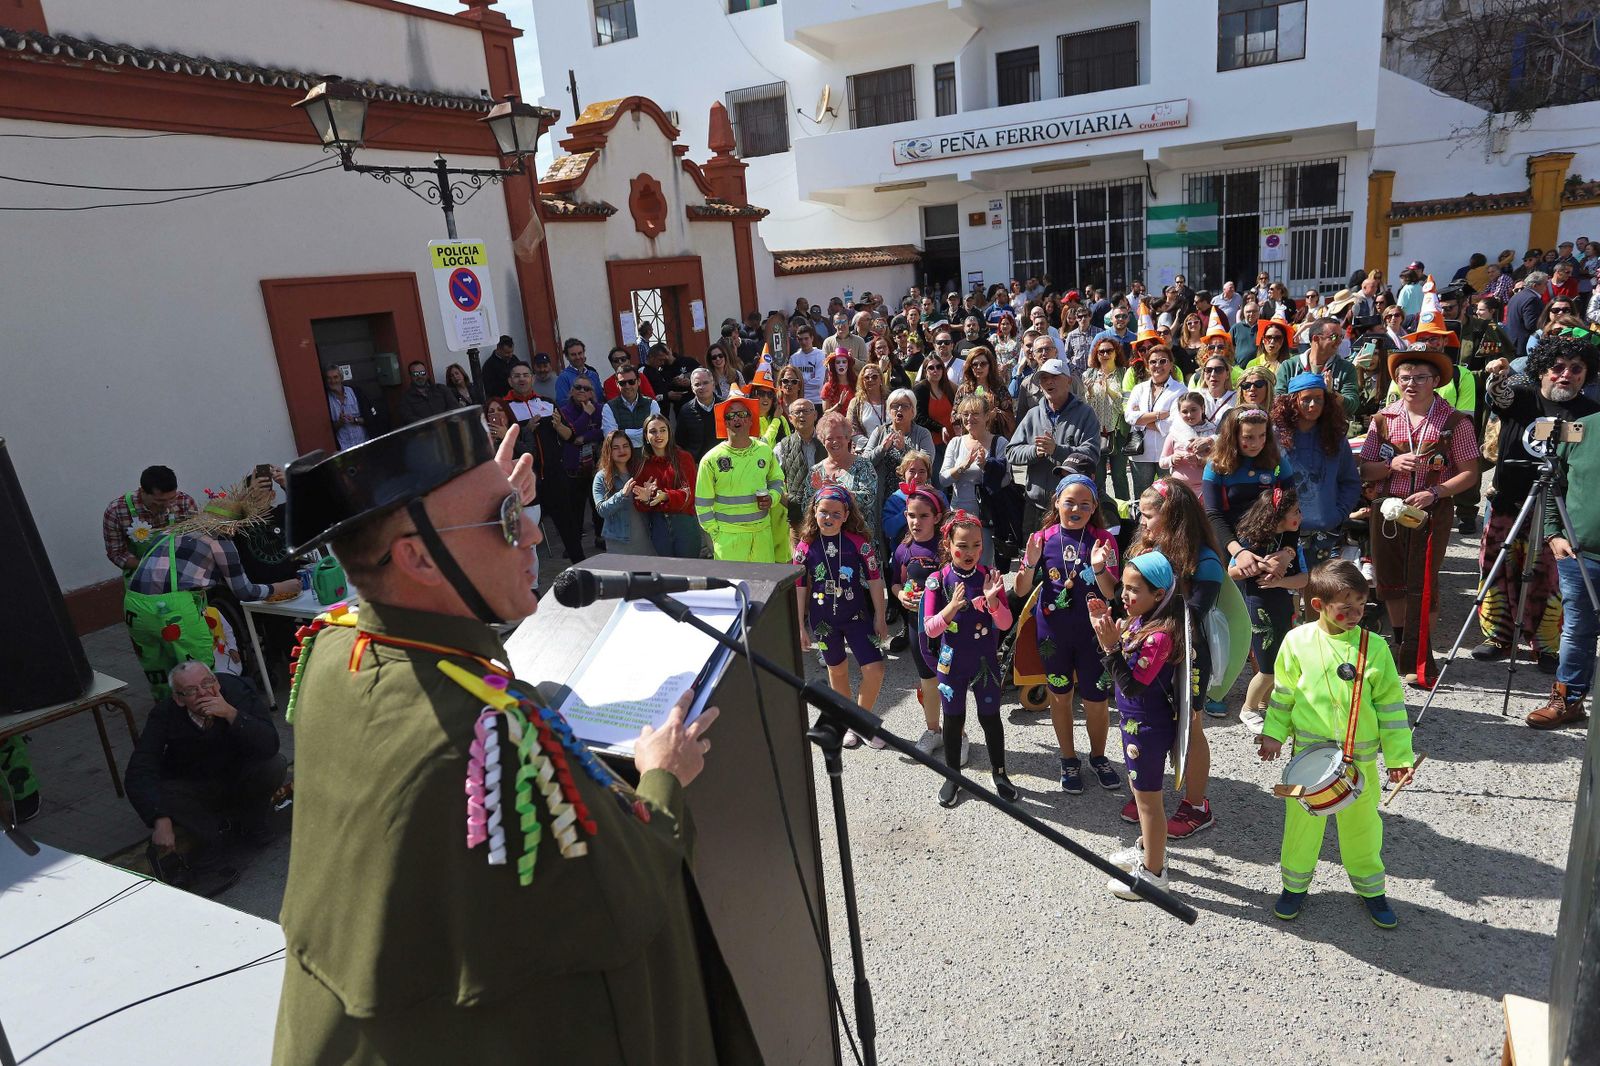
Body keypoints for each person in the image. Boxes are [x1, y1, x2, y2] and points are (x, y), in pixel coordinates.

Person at [273, 408, 756, 1062]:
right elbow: (632, 894)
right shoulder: (495, 737)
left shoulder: (332, 650)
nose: (533, 534)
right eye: (505, 520)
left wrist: (478, 502)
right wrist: (662, 774)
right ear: (417, 557)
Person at [1258, 561, 1415, 929]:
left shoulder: (1373, 647)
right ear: (1319, 606)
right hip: (1309, 759)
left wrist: (1399, 757)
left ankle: (1371, 890)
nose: (1355, 614)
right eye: (1345, 607)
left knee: (1363, 827)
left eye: (1361, 605)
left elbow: (1391, 707)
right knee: (1301, 828)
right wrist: (1273, 734)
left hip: (1359, 759)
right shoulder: (1297, 642)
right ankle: (1294, 887)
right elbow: (1283, 695)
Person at [1476, 337, 1599, 677]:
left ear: (1585, 375)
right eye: (1557, 367)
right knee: (1497, 568)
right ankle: (1498, 637)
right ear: (1542, 370)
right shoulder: (1522, 396)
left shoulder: (1590, 412)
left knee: (1551, 580)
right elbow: (1497, 396)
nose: (1565, 375)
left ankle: (1546, 644)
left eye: (1576, 369)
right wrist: (1498, 375)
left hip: (1557, 511)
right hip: (1508, 502)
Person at [1358, 348, 1481, 685]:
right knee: (1391, 580)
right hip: (1387, 508)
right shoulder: (1383, 419)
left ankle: (1422, 656)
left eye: (1420, 378)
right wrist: (1389, 465)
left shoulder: (1455, 421)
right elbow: (1364, 469)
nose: (1411, 384)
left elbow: (1470, 473)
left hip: (1432, 510)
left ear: (1436, 382)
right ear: (1397, 381)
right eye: (1405, 378)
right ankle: (1402, 650)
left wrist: (1436, 492)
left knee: (1424, 581)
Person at [124, 478, 301, 698]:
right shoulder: (221, 542)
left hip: (133, 605)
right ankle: (212, 716)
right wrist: (281, 587)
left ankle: (171, 710)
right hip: (173, 608)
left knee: (158, 669)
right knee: (199, 670)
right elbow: (245, 592)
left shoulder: (169, 532)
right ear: (236, 526)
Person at [126, 661, 286, 886]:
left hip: (238, 774)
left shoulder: (238, 692)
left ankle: (253, 822)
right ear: (179, 699)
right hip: (197, 782)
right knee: (168, 791)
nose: (203, 693)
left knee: (273, 765)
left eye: (207, 683)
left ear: (217, 683)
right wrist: (159, 819)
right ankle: (211, 845)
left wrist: (232, 715)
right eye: (191, 691)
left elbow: (270, 744)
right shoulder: (164, 714)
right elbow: (140, 769)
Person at [1014, 474, 1121, 794]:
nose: (1076, 508)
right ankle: (1068, 758)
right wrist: (1030, 564)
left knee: (1097, 701)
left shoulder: (1103, 539)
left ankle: (1099, 757)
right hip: (1053, 636)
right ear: (1056, 502)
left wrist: (1100, 568)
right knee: (1060, 698)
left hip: (1094, 635)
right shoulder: (1041, 538)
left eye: (1084, 504)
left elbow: (1112, 593)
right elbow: (1020, 589)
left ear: (1093, 509)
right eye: (1069, 501)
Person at [1128, 478, 1223, 832]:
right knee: (1148, 720)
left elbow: (1193, 615)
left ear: (1172, 517)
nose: (1142, 522)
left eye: (1149, 515)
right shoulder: (1147, 550)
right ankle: (1148, 794)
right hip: (1150, 649)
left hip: (1187, 655)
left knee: (1190, 724)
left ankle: (1197, 806)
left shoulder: (1205, 561)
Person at [1089, 550, 1184, 899]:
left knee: (1148, 802)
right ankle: (1147, 851)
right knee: (1141, 794)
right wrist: (1109, 642)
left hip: (1147, 727)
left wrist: (1112, 648)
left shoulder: (1159, 637)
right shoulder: (1141, 623)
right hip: (1134, 724)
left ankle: (1154, 874)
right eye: (1124, 588)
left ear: (1158, 594)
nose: (1124, 596)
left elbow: (1132, 685)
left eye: (1133, 590)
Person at [923, 510, 1017, 807]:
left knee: (990, 718)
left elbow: (1004, 624)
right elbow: (930, 628)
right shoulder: (937, 581)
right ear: (948, 544)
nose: (970, 552)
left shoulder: (989, 577)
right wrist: (950, 607)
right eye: (962, 545)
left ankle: (1000, 773)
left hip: (985, 664)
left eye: (976, 545)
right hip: (951, 665)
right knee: (953, 720)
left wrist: (991, 601)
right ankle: (953, 776)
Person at [794, 485, 889, 749]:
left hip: (857, 615)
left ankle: (861, 720)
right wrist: (799, 626)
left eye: (836, 514)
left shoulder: (859, 544)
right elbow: (800, 586)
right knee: (837, 671)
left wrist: (880, 616)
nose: (829, 518)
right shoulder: (804, 547)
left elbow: (874, 579)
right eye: (824, 512)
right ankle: (849, 723)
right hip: (823, 620)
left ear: (846, 515)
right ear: (814, 511)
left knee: (875, 669)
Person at [1228, 486, 1310, 736]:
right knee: (1267, 666)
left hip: (1284, 606)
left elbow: (1304, 578)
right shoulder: (1250, 543)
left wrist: (1279, 582)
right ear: (1277, 517)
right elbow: (1231, 571)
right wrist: (1251, 567)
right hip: (1259, 606)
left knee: (1282, 661)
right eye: (1296, 511)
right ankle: (1248, 708)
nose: (1301, 515)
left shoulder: (1290, 544)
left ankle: (1267, 703)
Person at [1273, 375, 1362, 571]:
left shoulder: (1336, 437)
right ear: (1292, 400)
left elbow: (1350, 482)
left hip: (1324, 532)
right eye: (1306, 399)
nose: (1313, 405)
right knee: (1284, 593)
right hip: (1281, 531)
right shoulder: (1274, 437)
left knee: (1319, 591)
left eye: (1318, 399)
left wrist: (1337, 515)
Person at [1006, 358, 1103, 527]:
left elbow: (1092, 454)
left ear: (1069, 381)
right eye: (1043, 378)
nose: (1049, 382)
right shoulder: (1033, 415)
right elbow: (1011, 451)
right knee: (1031, 553)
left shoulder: (1086, 414)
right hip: (1035, 505)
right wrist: (1035, 452)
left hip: (1071, 508)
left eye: (1055, 377)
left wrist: (1056, 450)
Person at [695, 392, 786, 563]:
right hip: (728, 538)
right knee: (732, 587)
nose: (737, 419)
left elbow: (777, 481)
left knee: (764, 585)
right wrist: (717, 534)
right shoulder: (710, 459)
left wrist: (772, 498)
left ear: (751, 420)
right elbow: (702, 503)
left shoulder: (764, 451)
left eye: (742, 414)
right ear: (726, 422)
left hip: (762, 535)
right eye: (731, 415)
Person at [941, 395, 1007, 566]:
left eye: (975, 413)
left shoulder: (999, 443)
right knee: (958, 565)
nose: (969, 419)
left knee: (983, 566)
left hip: (986, 517)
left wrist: (986, 465)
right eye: (965, 414)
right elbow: (943, 479)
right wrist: (962, 466)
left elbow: (1006, 479)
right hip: (959, 515)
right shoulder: (956, 443)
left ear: (987, 416)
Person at [104, 465, 198, 574]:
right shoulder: (117, 511)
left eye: (172, 498)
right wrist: (152, 566)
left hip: (180, 568)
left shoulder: (185, 502)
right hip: (141, 571)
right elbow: (117, 553)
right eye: (160, 500)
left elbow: (196, 541)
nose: (168, 505)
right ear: (142, 491)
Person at [550, 376, 603, 561]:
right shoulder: (564, 411)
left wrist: (584, 438)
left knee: (597, 504)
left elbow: (602, 430)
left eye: (586, 388)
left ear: (592, 393)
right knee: (576, 509)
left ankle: (600, 536)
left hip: (595, 465)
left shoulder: (600, 409)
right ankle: (574, 544)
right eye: (578, 387)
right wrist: (586, 415)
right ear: (571, 391)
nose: (582, 391)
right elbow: (571, 432)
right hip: (574, 467)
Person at [1124, 345, 1187, 497]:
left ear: (1171, 364)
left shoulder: (1181, 390)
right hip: (1140, 452)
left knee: (1169, 496)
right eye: (1153, 362)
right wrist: (1159, 415)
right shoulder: (1139, 388)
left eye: (1163, 361)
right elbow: (1129, 417)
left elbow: (1173, 423)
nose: (1157, 365)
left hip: (1167, 452)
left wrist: (1142, 418)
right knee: (1142, 496)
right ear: (1147, 365)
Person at [1274, 318, 1361, 415]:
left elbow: (1352, 405)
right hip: (1296, 426)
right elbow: (1278, 400)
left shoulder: (1346, 368)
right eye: (1334, 337)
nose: (1339, 341)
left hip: (1330, 428)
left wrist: (1331, 393)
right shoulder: (1289, 366)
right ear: (1316, 339)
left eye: (1341, 337)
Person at [1080, 338, 1128, 497]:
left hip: (1118, 431)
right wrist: (1091, 392)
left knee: (1119, 477)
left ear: (1116, 352)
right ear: (1096, 354)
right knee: (1098, 479)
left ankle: (1125, 516)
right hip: (1097, 432)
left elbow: (1124, 406)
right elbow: (1087, 408)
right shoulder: (1088, 374)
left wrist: (1109, 390)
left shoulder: (1124, 373)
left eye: (1109, 350)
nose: (1105, 354)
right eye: (1102, 351)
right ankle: (1102, 516)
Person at [592, 430, 652, 555]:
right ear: (608, 451)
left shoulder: (640, 470)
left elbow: (653, 506)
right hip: (618, 542)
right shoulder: (601, 477)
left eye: (625, 446)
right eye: (616, 448)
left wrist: (649, 498)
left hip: (646, 538)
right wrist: (621, 495)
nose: (622, 451)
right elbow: (602, 510)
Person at [1158, 392, 1217, 491]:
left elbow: (1220, 460)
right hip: (1180, 488)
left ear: (1202, 408)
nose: (1189, 415)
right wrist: (1172, 459)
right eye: (1185, 412)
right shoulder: (1174, 433)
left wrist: (1199, 460)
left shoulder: (1212, 432)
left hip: (1207, 487)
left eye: (1194, 410)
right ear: (1179, 413)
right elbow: (1162, 462)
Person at [955, 346, 1016, 435]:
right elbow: (955, 416)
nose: (978, 367)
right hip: (970, 437)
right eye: (974, 364)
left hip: (995, 437)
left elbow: (1009, 415)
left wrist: (993, 415)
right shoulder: (963, 389)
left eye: (983, 364)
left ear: (990, 365)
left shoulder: (999, 388)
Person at [601, 363, 660, 449]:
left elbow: (656, 433)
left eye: (631, 382)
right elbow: (611, 438)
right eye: (622, 383)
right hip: (623, 458)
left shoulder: (652, 404)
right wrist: (643, 432)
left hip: (649, 456)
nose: (627, 386)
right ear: (617, 384)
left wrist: (623, 432)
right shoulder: (608, 407)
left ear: (638, 382)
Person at [913, 355, 959, 460]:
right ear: (925, 371)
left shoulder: (950, 387)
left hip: (953, 441)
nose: (935, 370)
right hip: (931, 444)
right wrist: (940, 428)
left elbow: (958, 410)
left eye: (939, 367)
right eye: (931, 368)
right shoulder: (920, 389)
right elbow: (919, 417)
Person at [675, 368, 719, 460]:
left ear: (713, 384)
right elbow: (680, 442)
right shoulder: (685, 411)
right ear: (692, 388)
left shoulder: (724, 406)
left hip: (724, 461)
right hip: (697, 464)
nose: (702, 387)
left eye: (705, 383)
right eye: (697, 384)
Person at [325, 367, 368, 451]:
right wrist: (340, 423)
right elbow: (327, 431)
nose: (332, 381)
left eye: (335, 377)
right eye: (329, 378)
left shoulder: (355, 392)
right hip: (344, 449)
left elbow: (370, 418)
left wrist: (355, 420)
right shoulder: (326, 400)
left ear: (341, 378)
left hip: (363, 443)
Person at [847, 362, 890, 443]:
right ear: (862, 381)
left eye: (874, 377)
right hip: (865, 450)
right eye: (866, 377)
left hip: (891, 447)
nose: (870, 380)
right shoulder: (856, 403)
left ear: (881, 379)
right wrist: (871, 446)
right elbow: (852, 428)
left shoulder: (891, 399)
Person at [1506, 271, 1549, 351]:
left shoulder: (1516, 296)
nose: (1547, 286)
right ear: (1535, 285)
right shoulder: (1532, 299)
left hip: (1512, 341)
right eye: (1545, 283)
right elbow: (1531, 324)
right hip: (1524, 345)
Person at [552, 338, 600, 406]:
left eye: (580, 353)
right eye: (573, 355)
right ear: (567, 357)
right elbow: (562, 404)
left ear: (584, 353)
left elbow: (600, 399)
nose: (577, 357)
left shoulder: (593, 375)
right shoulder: (563, 377)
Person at [788, 324, 827, 406]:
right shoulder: (794, 358)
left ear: (812, 338)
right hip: (799, 401)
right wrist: (808, 380)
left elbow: (818, 382)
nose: (803, 342)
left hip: (817, 401)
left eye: (806, 338)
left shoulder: (820, 355)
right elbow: (791, 382)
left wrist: (800, 383)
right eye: (800, 339)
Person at [479, 335, 522, 402]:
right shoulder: (489, 366)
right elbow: (489, 389)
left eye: (512, 352)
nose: (510, 355)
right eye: (507, 353)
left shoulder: (514, 359)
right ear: (498, 349)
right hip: (503, 400)